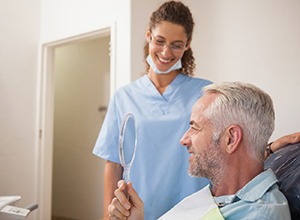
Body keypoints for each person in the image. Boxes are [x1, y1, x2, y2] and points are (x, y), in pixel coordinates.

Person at [93, 1, 299, 219]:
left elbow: (225, 146)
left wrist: (267, 149)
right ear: (148, 37)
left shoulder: (204, 93)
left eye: (176, 44)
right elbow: (114, 162)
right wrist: (109, 214)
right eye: (160, 41)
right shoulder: (124, 96)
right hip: (139, 205)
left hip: (194, 206)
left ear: (187, 44)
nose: (165, 52)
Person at [108, 82, 291, 220]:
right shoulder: (217, 196)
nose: (183, 139)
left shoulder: (260, 214)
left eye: (195, 127)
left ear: (231, 139)